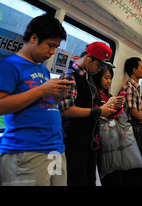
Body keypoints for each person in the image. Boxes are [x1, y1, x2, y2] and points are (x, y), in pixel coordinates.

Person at [0, 14, 73, 186]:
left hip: (55, 149)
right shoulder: (9, 66)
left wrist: (56, 97)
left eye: (56, 47)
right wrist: (42, 89)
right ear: (34, 38)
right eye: (50, 45)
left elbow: (40, 103)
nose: (52, 52)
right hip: (27, 151)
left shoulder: (43, 70)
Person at [58, 42, 117, 186]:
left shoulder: (89, 79)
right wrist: (98, 111)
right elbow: (66, 110)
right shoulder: (70, 76)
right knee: (76, 180)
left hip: (90, 141)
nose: (99, 70)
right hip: (74, 141)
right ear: (88, 58)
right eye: (98, 65)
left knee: (90, 180)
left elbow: (91, 105)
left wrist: (107, 106)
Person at [120, 56, 142, 186]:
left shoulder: (135, 87)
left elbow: (141, 109)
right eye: (141, 68)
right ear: (134, 70)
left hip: (135, 126)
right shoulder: (129, 88)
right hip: (130, 128)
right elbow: (133, 111)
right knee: (133, 159)